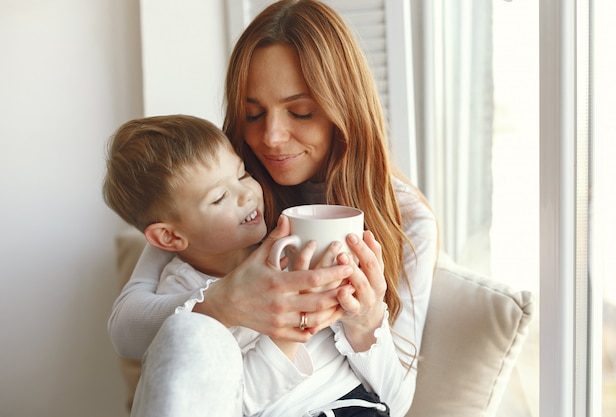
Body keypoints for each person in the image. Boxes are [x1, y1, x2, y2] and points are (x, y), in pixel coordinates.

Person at [108, 1, 438, 416]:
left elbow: (397, 399)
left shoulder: (405, 218)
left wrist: (366, 319)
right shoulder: (219, 208)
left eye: (300, 111)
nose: (272, 137)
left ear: (345, 108)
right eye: (253, 113)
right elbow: (126, 330)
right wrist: (225, 300)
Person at [103, 114, 389, 416]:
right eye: (219, 198)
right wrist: (286, 334)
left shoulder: (288, 244)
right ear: (170, 236)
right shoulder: (182, 295)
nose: (246, 194)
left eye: (241, 175)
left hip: (350, 404)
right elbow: (235, 402)